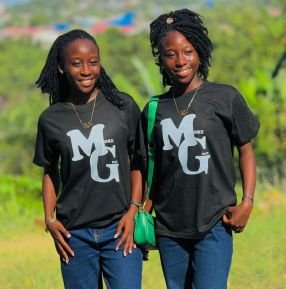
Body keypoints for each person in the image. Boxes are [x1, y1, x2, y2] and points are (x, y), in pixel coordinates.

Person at [137, 9, 260, 289]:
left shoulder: (224, 97)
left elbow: (246, 149)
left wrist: (248, 201)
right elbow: (150, 166)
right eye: (170, 54)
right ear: (161, 60)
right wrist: (142, 214)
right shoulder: (154, 109)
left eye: (188, 51)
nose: (180, 61)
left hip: (215, 221)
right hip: (169, 227)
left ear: (200, 52)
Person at [33, 29, 143, 289]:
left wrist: (134, 209)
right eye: (76, 63)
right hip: (75, 236)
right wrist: (50, 219)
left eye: (93, 62)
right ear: (61, 67)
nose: (86, 70)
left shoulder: (123, 106)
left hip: (120, 228)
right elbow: (50, 172)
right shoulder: (51, 119)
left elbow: (138, 161)